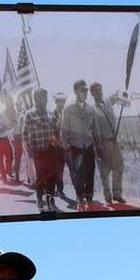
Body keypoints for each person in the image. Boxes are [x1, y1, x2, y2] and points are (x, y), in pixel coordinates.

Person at [22, 88, 65, 213]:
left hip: (51, 151)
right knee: (41, 178)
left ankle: (51, 201)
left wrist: (61, 114)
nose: (45, 100)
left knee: (52, 178)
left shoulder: (49, 113)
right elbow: (25, 134)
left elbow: (56, 127)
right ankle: (40, 199)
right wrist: (29, 148)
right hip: (38, 151)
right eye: (43, 97)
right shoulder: (29, 114)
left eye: (46, 98)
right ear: (36, 98)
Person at [60, 80, 98, 211]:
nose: (86, 93)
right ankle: (80, 198)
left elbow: (95, 129)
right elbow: (64, 130)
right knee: (78, 175)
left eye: (86, 90)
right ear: (76, 91)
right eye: (83, 90)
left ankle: (89, 199)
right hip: (75, 147)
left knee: (90, 173)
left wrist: (98, 146)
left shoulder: (90, 109)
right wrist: (65, 147)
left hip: (88, 146)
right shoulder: (68, 109)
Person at [90, 82, 126, 205]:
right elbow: (94, 131)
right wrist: (98, 148)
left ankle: (117, 194)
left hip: (114, 141)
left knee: (119, 167)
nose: (99, 92)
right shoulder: (92, 110)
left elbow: (118, 98)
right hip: (102, 144)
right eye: (96, 91)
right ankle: (108, 197)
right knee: (104, 172)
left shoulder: (108, 102)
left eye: (100, 90)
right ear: (92, 94)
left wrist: (124, 95)